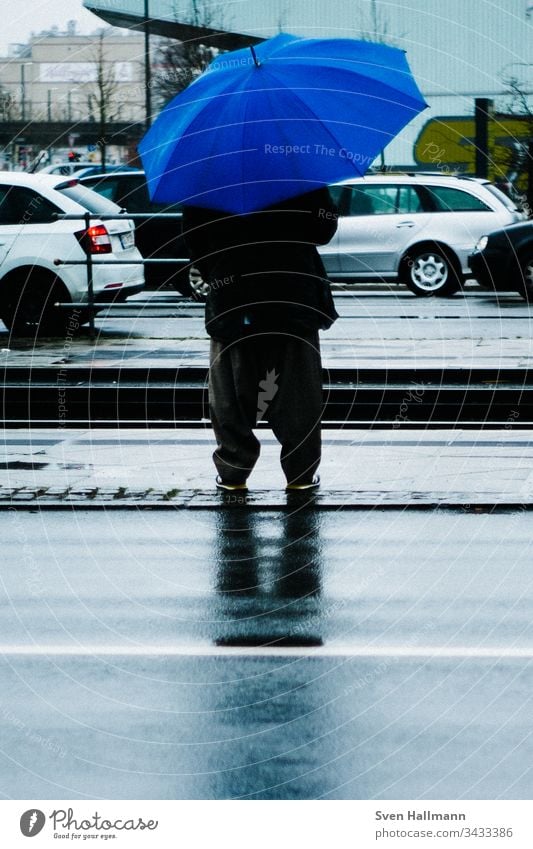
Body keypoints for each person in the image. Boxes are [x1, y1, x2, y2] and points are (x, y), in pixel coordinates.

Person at [182, 187, 339, 491]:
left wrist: (217, 271)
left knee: (229, 392)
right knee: (298, 393)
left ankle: (233, 471)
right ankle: (301, 474)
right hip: (292, 294)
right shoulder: (298, 171)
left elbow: (194, 237)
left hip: (233, 297)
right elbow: (323, 230)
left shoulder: (209, 174)